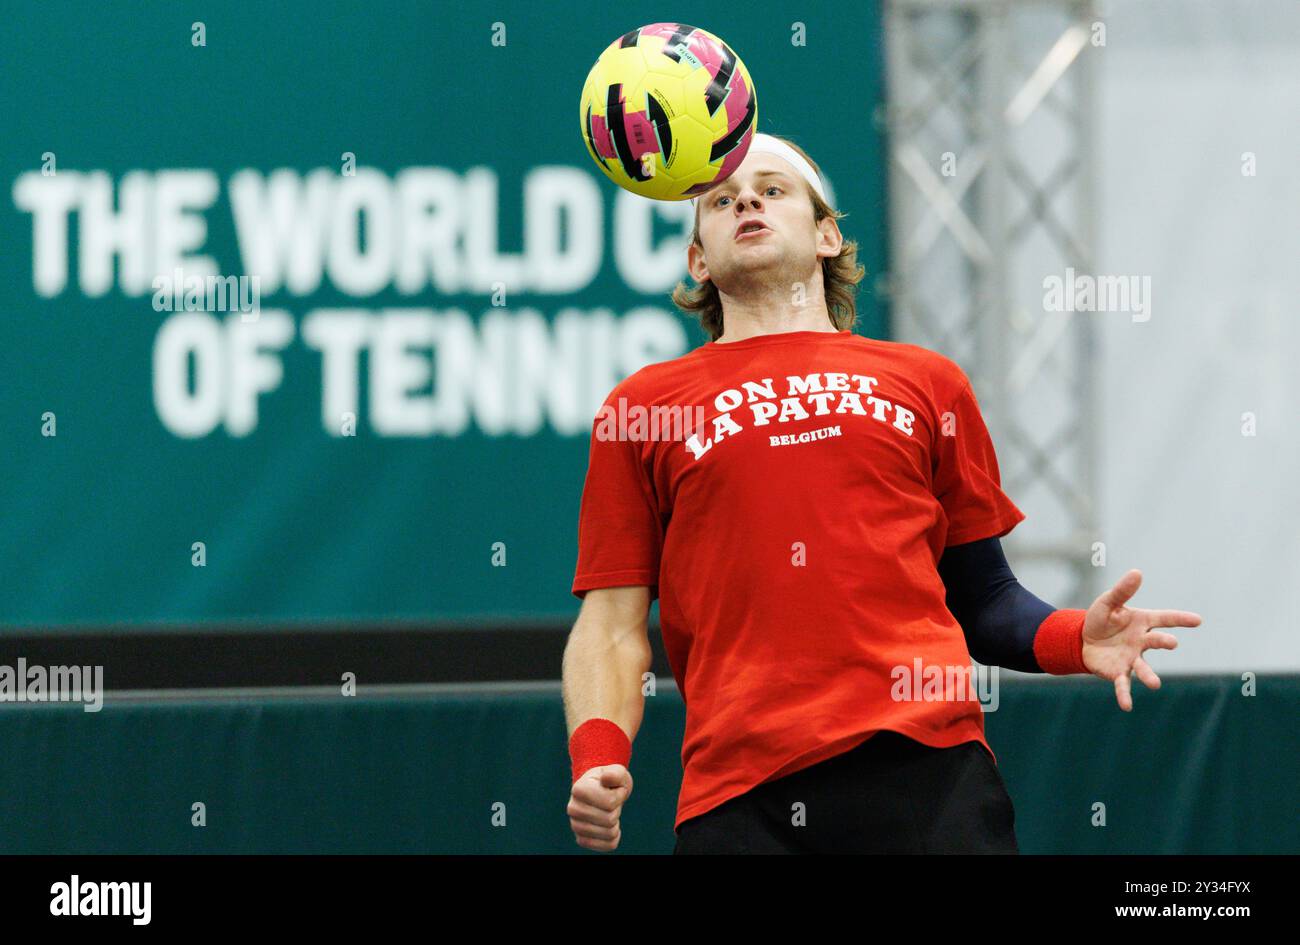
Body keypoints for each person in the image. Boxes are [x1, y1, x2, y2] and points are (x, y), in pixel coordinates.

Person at [561, 133, 1202, 854]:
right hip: (739, 798)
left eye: (774, 190)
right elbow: (611, 626)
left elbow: (984, 598)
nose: (746, 199)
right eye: (719, 199)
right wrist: (598, 753)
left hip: (929, 775)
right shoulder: (645, 406)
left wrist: (1072, 637)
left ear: (827, 235)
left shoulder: (928, 381)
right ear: (698, 260)